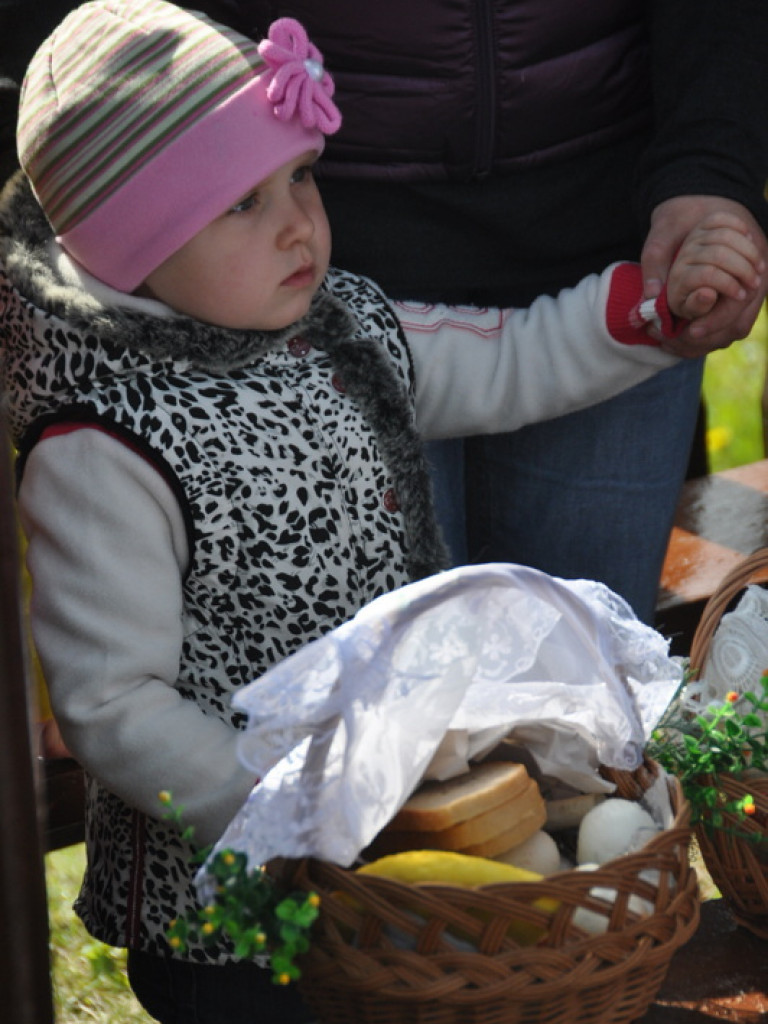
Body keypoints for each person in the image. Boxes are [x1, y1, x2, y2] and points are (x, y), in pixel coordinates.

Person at [0, 2, 760, 1022]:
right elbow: (113, 704)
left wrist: (635, 320)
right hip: (229, 911)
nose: (296, 222)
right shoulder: (105, 445)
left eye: (301, 177)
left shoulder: (340, 328)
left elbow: (500, 359)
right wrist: (300, 809)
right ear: (137, 244)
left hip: (378, 867)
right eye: (241, 204)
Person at [217, 0, 768, 625]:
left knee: (586, 670)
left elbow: (511, 362)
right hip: (313, 276)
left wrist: (710, 172)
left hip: (611, 226)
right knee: (383, 684)